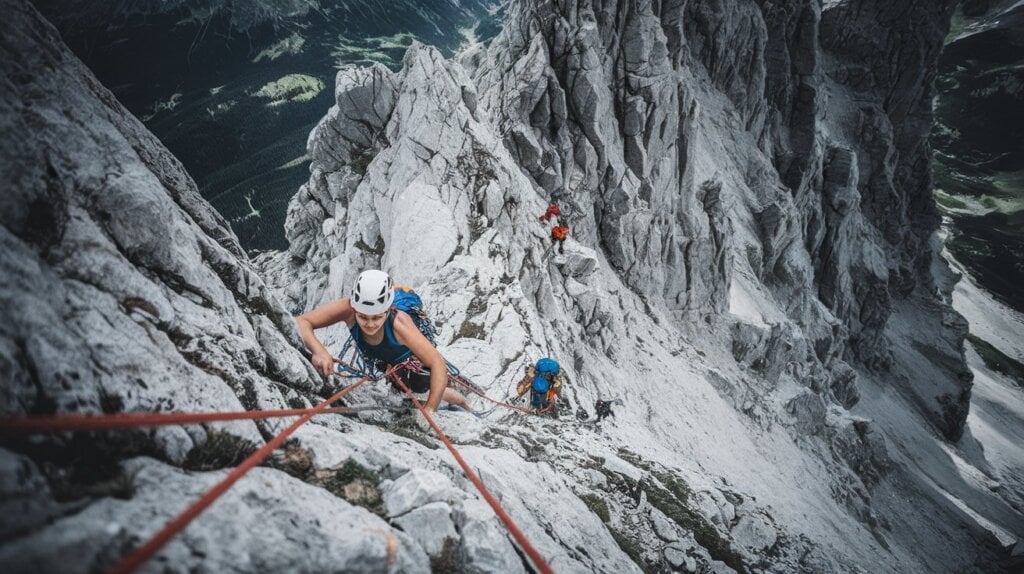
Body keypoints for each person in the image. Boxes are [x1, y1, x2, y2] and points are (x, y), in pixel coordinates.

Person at [296, 270, 472, 426]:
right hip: (383, 359)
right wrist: (319, 351)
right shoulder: (347, 308)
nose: (370, 324)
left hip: (409, 357)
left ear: (388, 311)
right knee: (404, 392)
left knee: (425, 391)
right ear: (354, 308)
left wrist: (430, 409)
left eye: (377, 318)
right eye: (363, 317)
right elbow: (303, 322)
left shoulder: (400, 324)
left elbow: (437, 363)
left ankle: (464, 404)